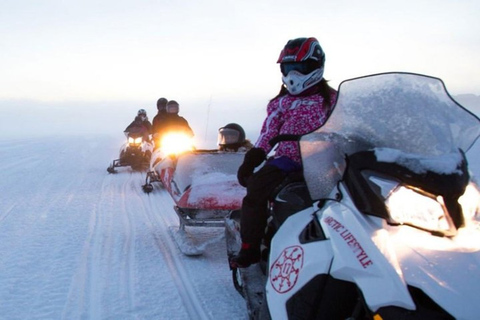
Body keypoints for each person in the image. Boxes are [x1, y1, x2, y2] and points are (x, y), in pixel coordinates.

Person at [229, 37, 337, 268]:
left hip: (326, 162)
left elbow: (350, 128)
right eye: (288, 68)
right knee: (256, 188)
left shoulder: (334, 100)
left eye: (300, 67)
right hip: (287, 161)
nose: (293, 74)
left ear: (316, 66)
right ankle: (250, 248)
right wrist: (252, 159)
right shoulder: (281, 103)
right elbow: (268, 132)